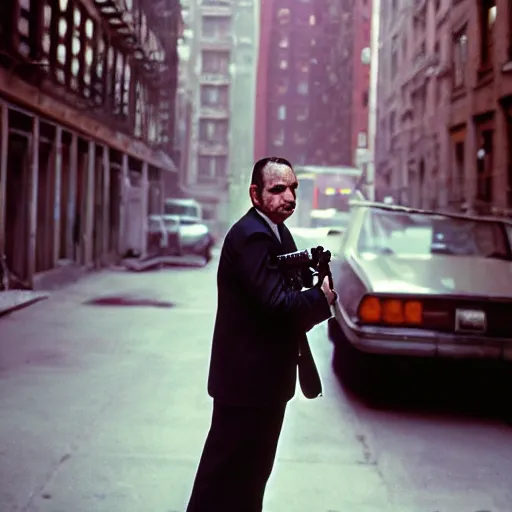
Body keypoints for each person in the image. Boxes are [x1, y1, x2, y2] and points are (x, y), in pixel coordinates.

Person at [186, 156, 337, 512]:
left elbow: (282, 288)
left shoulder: (276, 232)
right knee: (224, 480)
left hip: (261, 385)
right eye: (278, 188)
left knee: (249, 478)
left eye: (293, 188)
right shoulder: (253, 236)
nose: (289, 196)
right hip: (246, 387)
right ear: (255, 194)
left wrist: (308, 272)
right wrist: (322, 297)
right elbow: (278, 306)